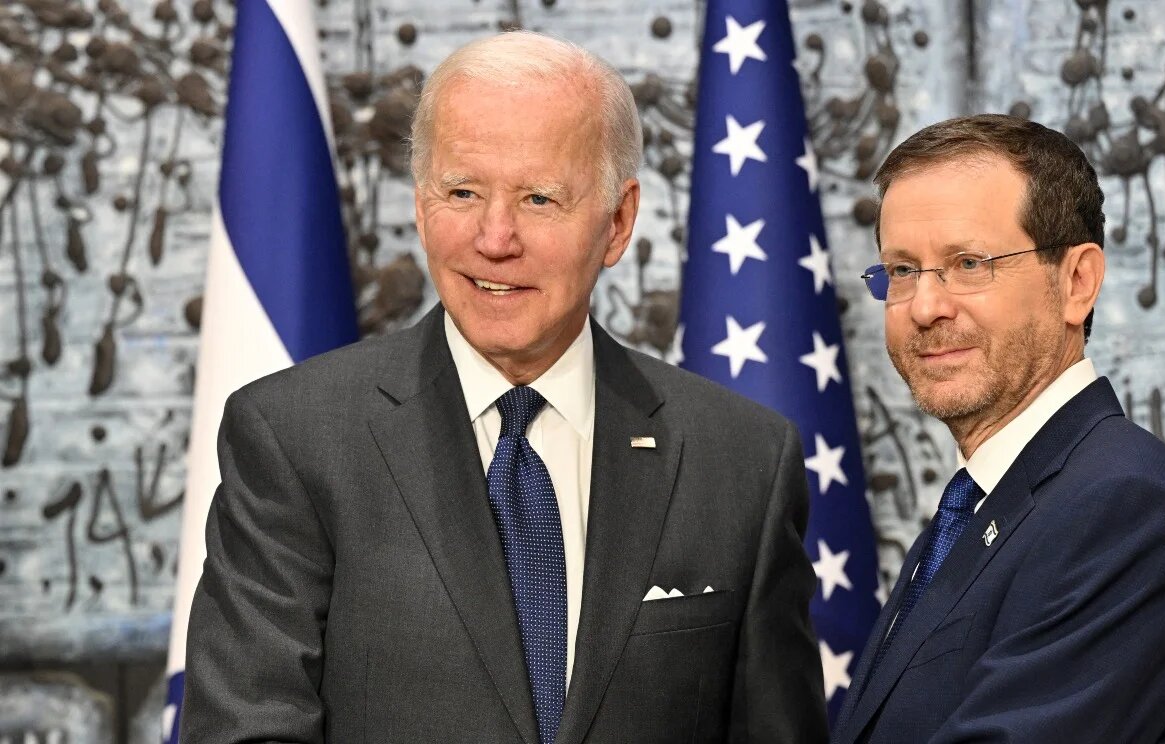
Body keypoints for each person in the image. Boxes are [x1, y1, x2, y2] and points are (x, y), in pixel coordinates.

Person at [182, 31, 827, 744]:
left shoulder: (740, 458)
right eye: (461, 191)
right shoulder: (294, 436)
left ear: (617, 222)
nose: (494, 238)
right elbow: (246, 728)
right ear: (422, 207)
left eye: (539, 199)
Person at [831, 114, 1165, 743]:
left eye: (968, 264)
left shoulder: (1126, 506)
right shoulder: (981, 502)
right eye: (902, 271)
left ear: (1077, 282)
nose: (927, 307)